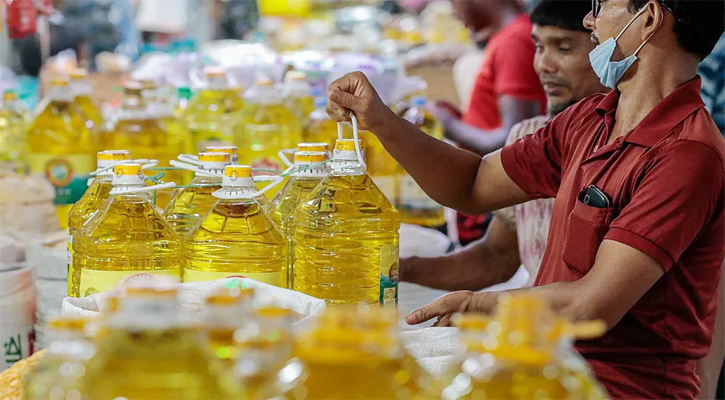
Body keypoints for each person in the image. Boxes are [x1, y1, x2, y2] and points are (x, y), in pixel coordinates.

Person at [324, 0, 725, 397]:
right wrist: (380, 121)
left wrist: (480, 306)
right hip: (549, 365)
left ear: (649, 17)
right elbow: (473, 184)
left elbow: (591, 306)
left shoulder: (687, 155)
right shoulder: (589, 120)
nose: (589, 19)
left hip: (616, 389)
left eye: (601, 4)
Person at [400, 0, 606, 290]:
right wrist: (399, 268)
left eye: (564, 48)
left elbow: (592, 299)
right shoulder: (532, 136)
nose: (543, 65)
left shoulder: (628, 149)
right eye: (539, 47)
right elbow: (495, 257)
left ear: (608, 50)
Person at [431, 0, 548, 245]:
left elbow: (515, 140)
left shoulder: (514, 42)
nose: (453, 11)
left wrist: (449, 124)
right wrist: (462, 120)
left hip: (492, 204)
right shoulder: (508, 35)